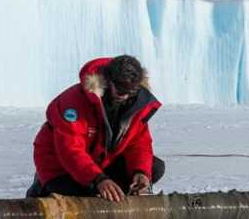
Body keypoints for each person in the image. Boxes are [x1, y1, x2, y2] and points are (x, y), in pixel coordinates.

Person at [28, 55, 164, 200]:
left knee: (154, 168)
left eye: (129, 91)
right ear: (108, 80)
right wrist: (98, 179)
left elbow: (139, 144)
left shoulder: (135, 104)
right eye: (119, 88)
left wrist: (141, 173)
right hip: (60, 166)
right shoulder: (73, 102)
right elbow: (70, 150)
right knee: (87, 195)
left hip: (99, 163)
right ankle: (42, 186)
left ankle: (111, 190)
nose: (123, 95)